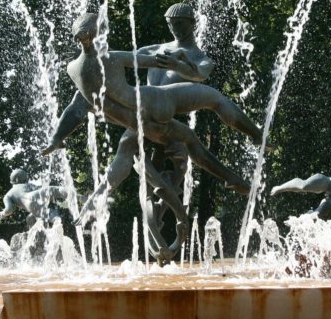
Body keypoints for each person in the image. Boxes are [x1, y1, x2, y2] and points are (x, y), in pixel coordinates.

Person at [44, 12, 268, 196]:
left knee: (125, 148)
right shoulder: (113, 57)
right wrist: (178, 62)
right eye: (172, 24)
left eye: (179, 24)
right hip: (156, 102)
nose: (175, 29)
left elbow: (76, 108)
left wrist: (57, 137)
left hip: (132, 115)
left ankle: (97, 199)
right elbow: (151, 61)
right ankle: (254, 138)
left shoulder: (73, 68)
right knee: (214, 101)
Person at [0, 169, 74, 227]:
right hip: (34, 196)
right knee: (55, 190)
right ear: (17, 179)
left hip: (30, 206)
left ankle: (55, 222)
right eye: (26, 178)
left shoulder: (8, 195)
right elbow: (40, 189)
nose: (27, 180)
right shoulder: (28, 185)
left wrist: (3, 213)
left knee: (30, 219)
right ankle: (77, 196)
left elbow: (9, 210)